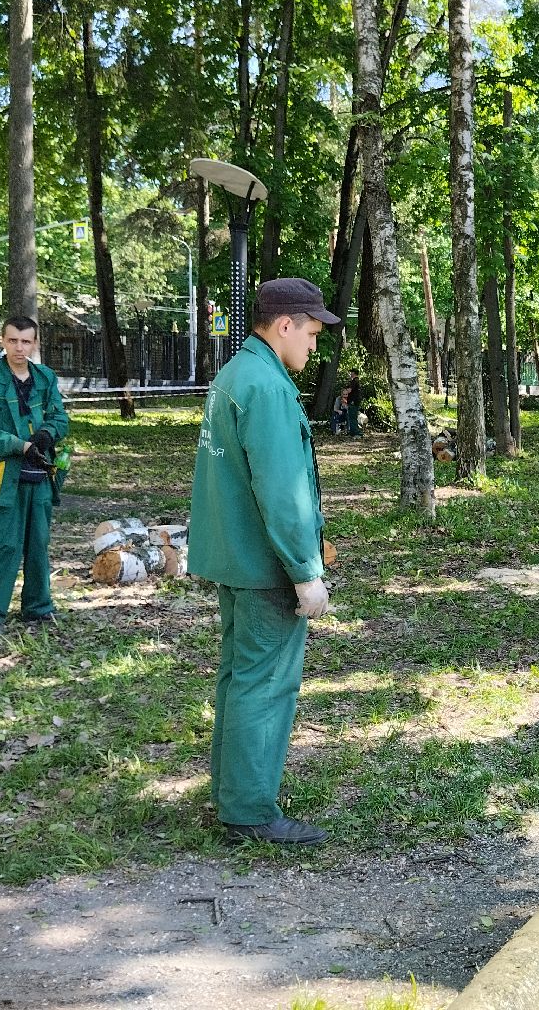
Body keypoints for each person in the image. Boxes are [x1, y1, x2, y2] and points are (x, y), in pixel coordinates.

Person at [188, 277, 340, 846]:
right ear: (285, 325)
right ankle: (249, 812)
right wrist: (306, 572)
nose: (314, 345)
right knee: (266, 685)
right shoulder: (268, 388)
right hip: (264, 566)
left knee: (239, 678)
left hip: (235, 558)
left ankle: (233, 798)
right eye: (312, 333)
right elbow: (283, 493)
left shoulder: (235, 375)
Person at [0, 316, 70, 636]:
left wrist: (46, 435)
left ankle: (38, 607)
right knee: (0, 545)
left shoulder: (45, 377)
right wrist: (20, 446)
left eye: (26, 341)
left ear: (35, 343)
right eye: (12, 341)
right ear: (2, 341)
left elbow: (59, 418)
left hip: (41, 476)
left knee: (38, 545)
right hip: (1, 477)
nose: (19, 348)